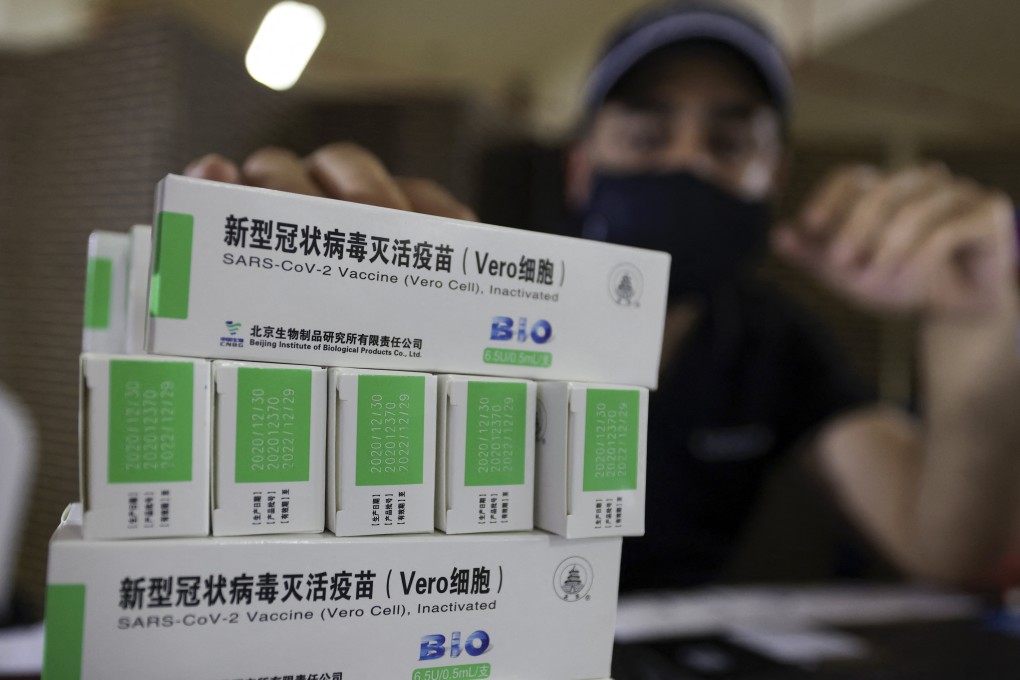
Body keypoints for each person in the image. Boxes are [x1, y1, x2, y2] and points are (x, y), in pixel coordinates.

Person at [186, 1, 1020, 588]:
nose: (688, 161)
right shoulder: (469, 297)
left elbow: (949, 552)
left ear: (776, 178)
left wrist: (976, 326)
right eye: (648, 135)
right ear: (582, 170)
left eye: (731, 141)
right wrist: (289, 314)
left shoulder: (773, 340)